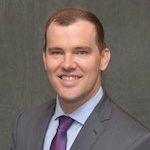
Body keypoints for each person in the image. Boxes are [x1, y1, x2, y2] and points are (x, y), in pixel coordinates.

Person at [11, 6, 150, 150]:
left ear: (103, 59)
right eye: (57, 52)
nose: (67, 64)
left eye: (81, 52)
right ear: (45, 59)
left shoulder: (134, 142)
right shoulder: (24, 126)